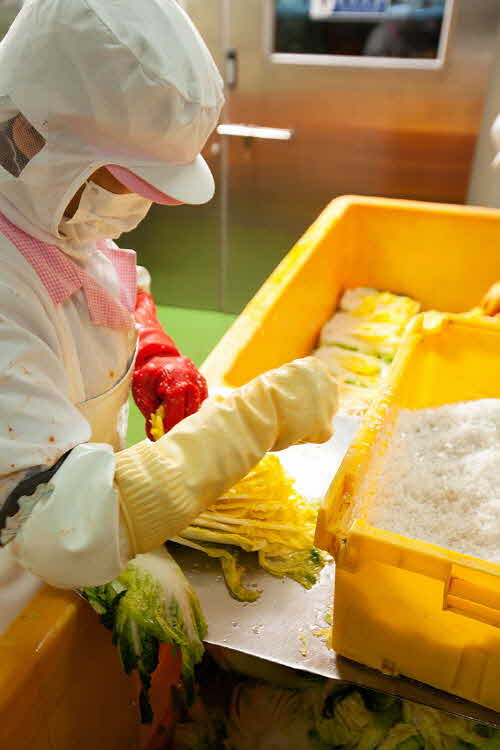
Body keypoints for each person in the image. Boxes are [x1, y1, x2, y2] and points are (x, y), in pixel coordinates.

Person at [0, 0, 337, 632]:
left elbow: (101, 272)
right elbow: (61, 526)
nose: (134, 206)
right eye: (124, 182)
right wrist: (252, 421)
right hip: (15, 609)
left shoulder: (45, 206)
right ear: (30, 139)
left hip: (75, 570)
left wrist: (147, 344)